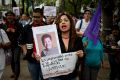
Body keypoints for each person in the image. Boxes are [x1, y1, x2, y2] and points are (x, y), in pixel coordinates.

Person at [47, 12, 84, 80]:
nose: (63, 22)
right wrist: (40, 57)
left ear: (71, 23)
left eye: (66, 20)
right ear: (58, 25)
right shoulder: (53, 39)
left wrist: (81, 55)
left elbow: (83, 57)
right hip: (55, 77)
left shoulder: (78, 40)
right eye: (60, 21)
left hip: (72, 76)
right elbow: (47, 57)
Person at [19, 8, 46, 80]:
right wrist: (26, 52)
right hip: (32, 60)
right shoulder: (27, 28)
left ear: (42, 16)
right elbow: (21, 42)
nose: (35, 19)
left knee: (43, 78)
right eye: (34, 16)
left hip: (45, 60)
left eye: (37, 17)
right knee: (34, 78)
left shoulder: (48, 27)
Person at [2, 11, 23, 80]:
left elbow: (22, 33)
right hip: (8, 46)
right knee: (11, 61)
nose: (9, 17)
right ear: (6, 17)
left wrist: (15, 31)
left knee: (16, 60)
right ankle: (14, 72)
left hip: (17, 45)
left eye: (11, 15)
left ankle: (16, 75)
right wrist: (6, 30)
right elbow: (2, 33)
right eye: (8, 15)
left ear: (13, 16)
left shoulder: (19, 24)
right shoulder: (4, 25)